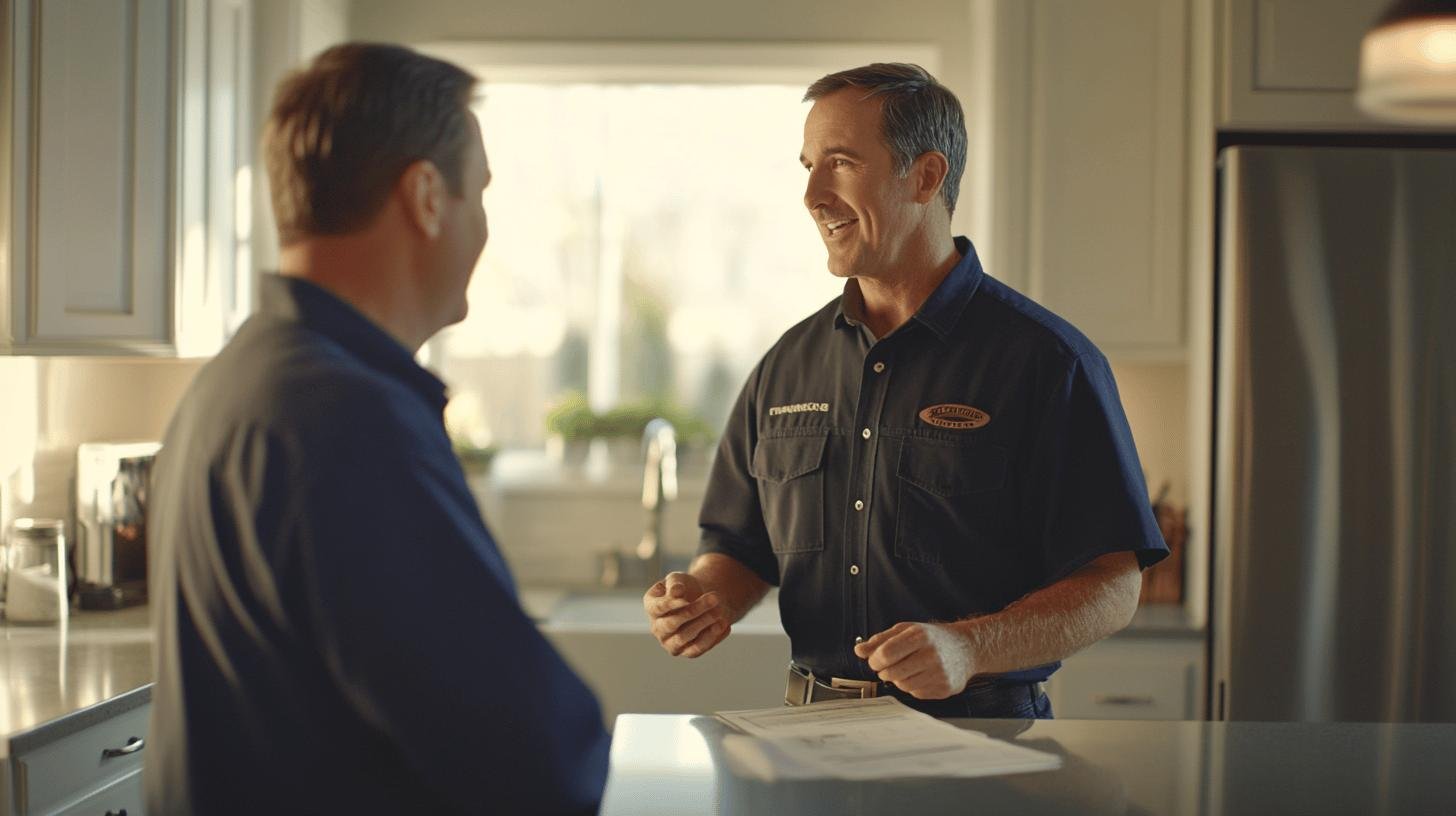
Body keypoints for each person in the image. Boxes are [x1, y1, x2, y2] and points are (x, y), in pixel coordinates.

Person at [147, 43, 608, 814]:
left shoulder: (237, 379)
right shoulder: (347, 420)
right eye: (480, 196)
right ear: (426, 197)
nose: (484, 230)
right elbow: (531, 751)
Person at [642, 63, 1168, 719]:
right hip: (812, 735)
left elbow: (1112, 585)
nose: (812, 193)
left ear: (925, 176)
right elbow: (738, 548)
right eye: (807, 165)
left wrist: (968, 647)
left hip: (982, 742)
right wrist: (706, 597)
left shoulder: (1048, 362)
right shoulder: (786, 366)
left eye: (839, 163)